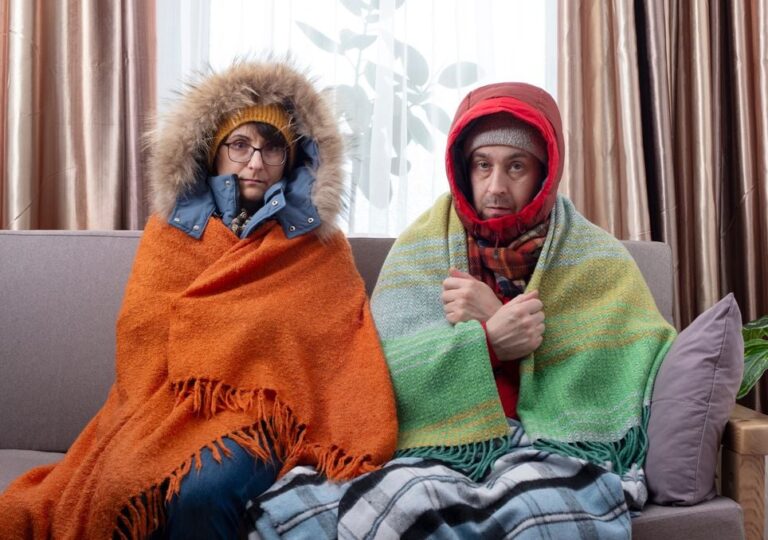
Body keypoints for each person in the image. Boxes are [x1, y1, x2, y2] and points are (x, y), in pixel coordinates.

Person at [248, 82, 677, 538]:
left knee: (538, 512)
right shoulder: (420, 249)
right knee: (339, 507)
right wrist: (488, 342)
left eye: (516, 166)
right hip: (436, 440)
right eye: (482, 165)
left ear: (546, 173)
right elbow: (381, 373)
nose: (496, 186)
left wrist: (500, 318)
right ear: (462, 168)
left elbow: (636, 355)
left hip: (549, 445)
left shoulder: (597, 260)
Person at [0, 60, 397, 539]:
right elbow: (140, 332)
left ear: (292, 159)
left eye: (272, 147)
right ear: (213, 151)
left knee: (201, 490)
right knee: (121, 483)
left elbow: (340, 342)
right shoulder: (171, 233)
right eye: (240, 145)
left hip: (262, 416)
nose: (255, 162)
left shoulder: (317, 246)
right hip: (167, 408)